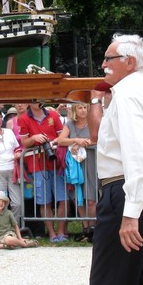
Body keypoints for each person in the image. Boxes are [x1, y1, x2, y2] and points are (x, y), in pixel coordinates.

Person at [90, 34, 143, 285]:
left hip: (128, 191)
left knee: (110, 279)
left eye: (108, 58)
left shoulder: (127, 95)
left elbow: (136, 155)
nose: (103, 64)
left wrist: (130, 214)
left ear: (130, 62)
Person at [18, 102, 68, 242]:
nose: (37, 102)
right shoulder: (23, 118)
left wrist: (52, 143)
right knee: (44, 201)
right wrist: (34, 138)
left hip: (56, 162)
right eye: (33, 100)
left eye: (39, 99)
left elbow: (61, 136)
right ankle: (51, 233)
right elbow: (24, 143)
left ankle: (61, 232)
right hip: (37, 164)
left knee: (62, 198)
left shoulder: (53, 114)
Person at [57, 102, 97, 239]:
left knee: (91, 198)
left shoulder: (93, 123)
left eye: (85, 107)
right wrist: (75, 141)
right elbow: (61, 140)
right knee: (78, 197)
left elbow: (100, 139)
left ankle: (94, 229)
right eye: (80, 107)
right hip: (75, 163)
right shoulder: (69, 124)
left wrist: (84, 143)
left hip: (91, 161)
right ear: (74, 109)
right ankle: (86, 229)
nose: (83, 110)